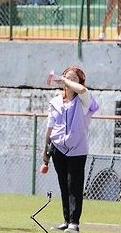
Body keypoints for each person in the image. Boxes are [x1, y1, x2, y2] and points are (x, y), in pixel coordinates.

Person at [42, 66, 99, 233]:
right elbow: (50, 128)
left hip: (77, 149)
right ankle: (67, 220)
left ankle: (75, 223)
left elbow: (82, 90)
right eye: (67, 77)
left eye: (74, 78)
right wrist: (45, 153)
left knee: (75, 186)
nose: (69, 81)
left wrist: (63, 79)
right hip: (58, 148)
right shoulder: (55, 102)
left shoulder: (83, 101)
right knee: (64, 186)